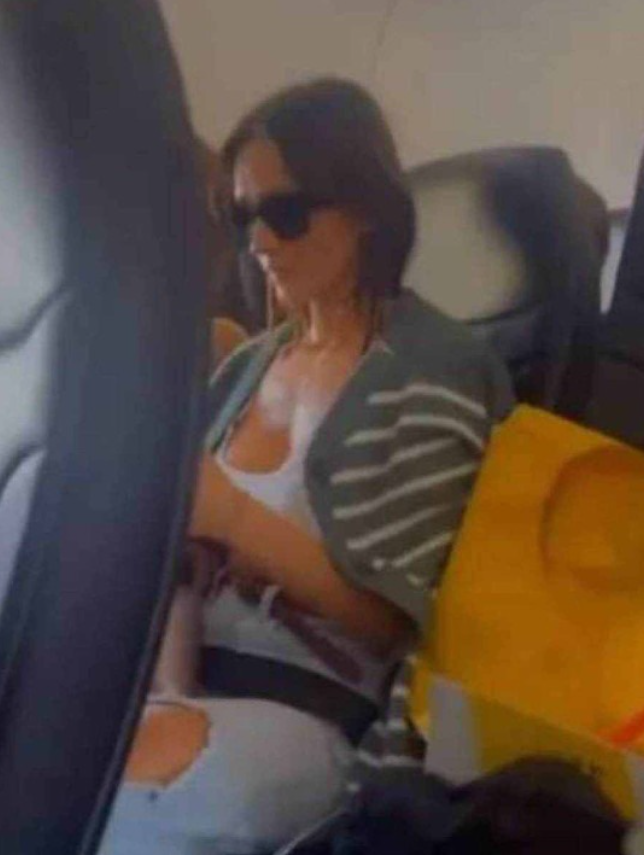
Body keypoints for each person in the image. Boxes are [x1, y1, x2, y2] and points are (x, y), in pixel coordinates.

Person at [101, 78, 516, 853]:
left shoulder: (437, 369)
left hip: (317, 713)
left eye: (286, 212)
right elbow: (183, 567)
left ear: (365, 207)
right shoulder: (244, 368)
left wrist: (234, 517)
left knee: (98, 798)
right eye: (244, 216)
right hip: (187, 687)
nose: (260, 241)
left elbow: (398, 618)